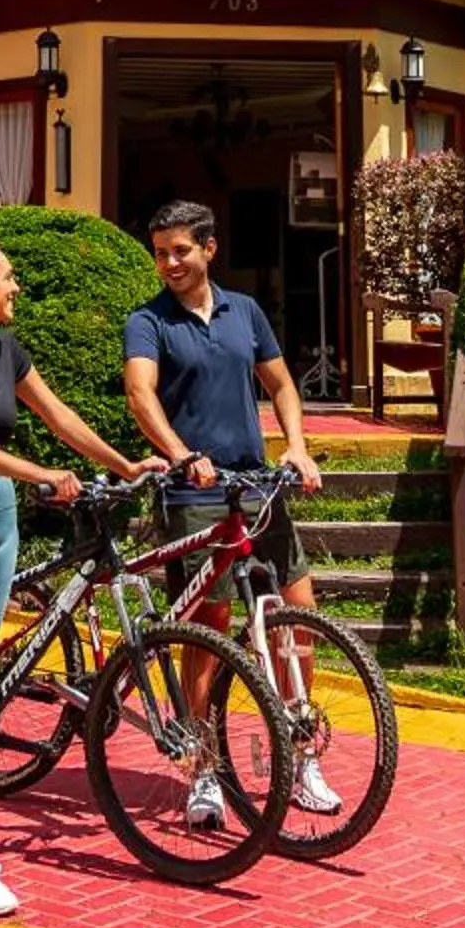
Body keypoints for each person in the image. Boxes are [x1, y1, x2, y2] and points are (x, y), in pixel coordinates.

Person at [0, 237, 158, 917]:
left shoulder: (8, 352)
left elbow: (60, 416)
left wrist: (125, 465)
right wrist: (42, 474)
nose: (18, 288)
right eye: (9, 278)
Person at [122, 198, 340, 829]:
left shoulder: (245, 312)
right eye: (160, 252)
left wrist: (295, 446)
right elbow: (141, 394)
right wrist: (180, 453)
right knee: (209, 630)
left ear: (209, 249)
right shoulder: (149, 321)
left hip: (256, 488)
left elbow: (282, 385)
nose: (169, 263)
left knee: (296, 617)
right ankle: (204, 768)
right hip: (194, 496)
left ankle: (301, 756)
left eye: (180, 251)